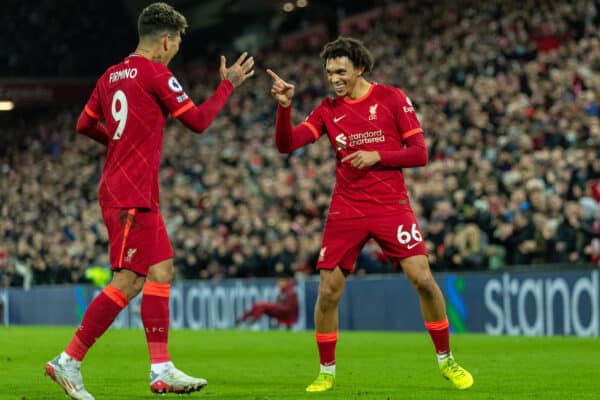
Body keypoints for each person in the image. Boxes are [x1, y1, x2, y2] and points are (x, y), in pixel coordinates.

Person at [44, 3, 254, 399]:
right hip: (130, 195)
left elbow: (83, 123)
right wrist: (227, 85)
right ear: (165, 41)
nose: (175, 51)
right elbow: (199, 122)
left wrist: (116, 145)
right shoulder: (156, 72)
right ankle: (68, 360)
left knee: (162, 271)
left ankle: (161, 369)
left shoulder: (110, 75)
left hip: (129, 189)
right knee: (130, 279)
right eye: (175, 44)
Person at [267, 36, 473, 392]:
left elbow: (420, 153)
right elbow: (287, 144)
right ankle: (326, 371)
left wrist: (379, 156)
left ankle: (447, 361)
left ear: (360, 68)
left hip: (390, 206)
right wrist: (284, 107)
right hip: (347, 208)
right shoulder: (327, 109)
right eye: (329, 71)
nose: (334, 78)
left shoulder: (391, 98)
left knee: (423, 279)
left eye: (341, 71)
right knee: (329, 291)